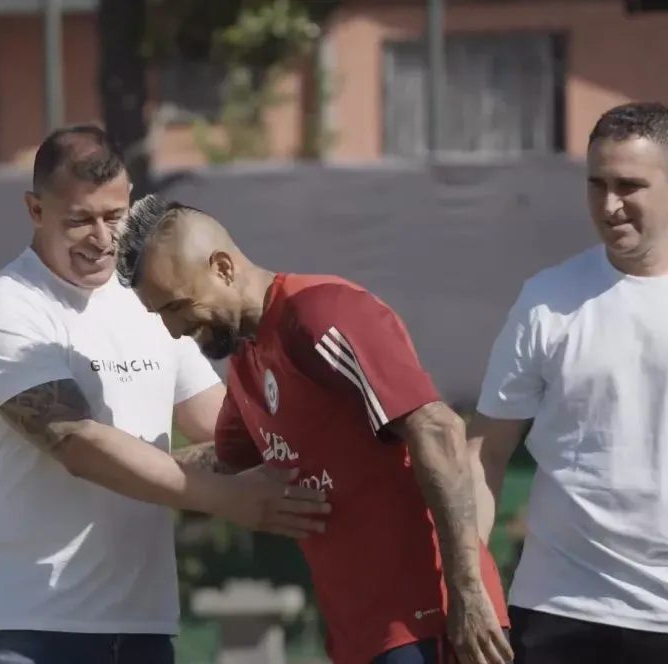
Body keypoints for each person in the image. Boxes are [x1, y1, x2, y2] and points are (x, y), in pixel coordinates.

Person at [0, 125, 329, 664]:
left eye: (114, 216)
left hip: (141, 625)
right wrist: (225, 497)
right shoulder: (5, 309)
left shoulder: (146, 304)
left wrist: (325, 431)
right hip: (26, 623)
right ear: (35, 211)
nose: (102, 238)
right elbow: (77, 443)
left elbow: (230, 430)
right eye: (79, 219)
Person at [114, 195, 512, 664]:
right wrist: (117, 465)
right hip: (360, 637)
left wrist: (466, 591)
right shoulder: (247, 362)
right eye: (161, 315)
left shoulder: (320, 313)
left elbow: (438, 428)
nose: (175, 330)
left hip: (432, 622)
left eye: (177, 306)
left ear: (222, 267)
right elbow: (224, 462)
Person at [469, 101, 668, 663]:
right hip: (561, 608)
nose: (609, 205)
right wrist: (468, 581)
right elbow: (483, 454)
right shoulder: (547, 301)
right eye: (596, 184)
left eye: (630, 185)